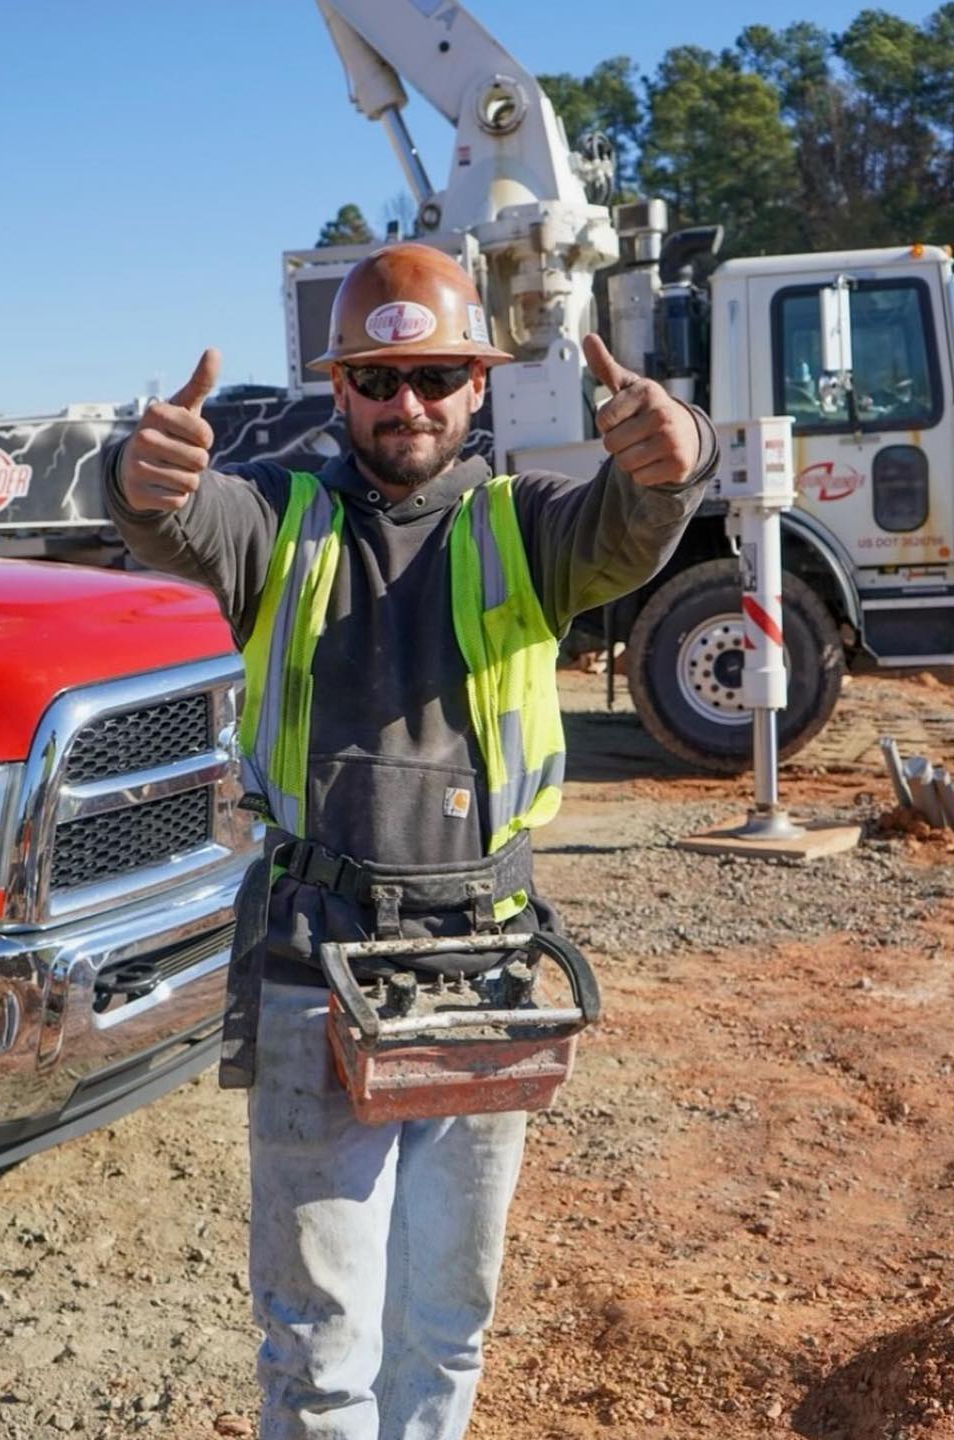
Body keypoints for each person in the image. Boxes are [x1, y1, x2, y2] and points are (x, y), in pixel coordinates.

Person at [105, 243, 716, 1440]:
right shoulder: (274, 521)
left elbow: (634, 523)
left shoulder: (529, 528)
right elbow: (172, 514)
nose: (409, 405)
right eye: (379, 381)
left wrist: (673, 452)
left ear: (477, 386)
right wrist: (133, 476)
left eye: (436, 376)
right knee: (318, 1347)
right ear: (338, 390)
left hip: (480, 969)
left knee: (445, 1325)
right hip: (311, 965)